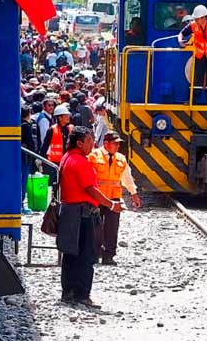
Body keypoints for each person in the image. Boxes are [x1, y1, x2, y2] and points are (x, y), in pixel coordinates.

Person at [56, 126, 122, 308]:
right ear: (79, 143)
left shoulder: (66, 158)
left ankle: (68, 292)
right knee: (86, 255)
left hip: (70, 211)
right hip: (83, 214)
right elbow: (91, 190)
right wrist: (111, 204)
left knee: (70, 254)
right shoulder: (80, 162)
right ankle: (82, 294)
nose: (93, 144)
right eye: (90, 141)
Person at [88, 131, 141, 265]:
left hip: (114, 198)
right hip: (97, 197)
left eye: (118, 144)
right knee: (95, 227)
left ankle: (109, 255)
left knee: (112, 228)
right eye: (115, 144)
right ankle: (94, 253)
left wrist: (133, 194)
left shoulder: (121, 159)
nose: (117, 146)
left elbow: (126, 177)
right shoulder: (93, 156)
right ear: (106, 144)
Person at [40, 104, 73, 185]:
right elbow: (45, 145)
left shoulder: (70, 129)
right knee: (54, 184)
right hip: (54, 162)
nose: (68, 117)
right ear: (59, 117)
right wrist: (41, 159)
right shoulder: (52, 129)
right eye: (66, 115)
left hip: (66, 162)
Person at [21, 105, 36, 214]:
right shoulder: (26, 126)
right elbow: (30, 142)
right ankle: (20, 204)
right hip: (24, 158)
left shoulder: (18, 124)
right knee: (23, 180)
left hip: (20, 157)